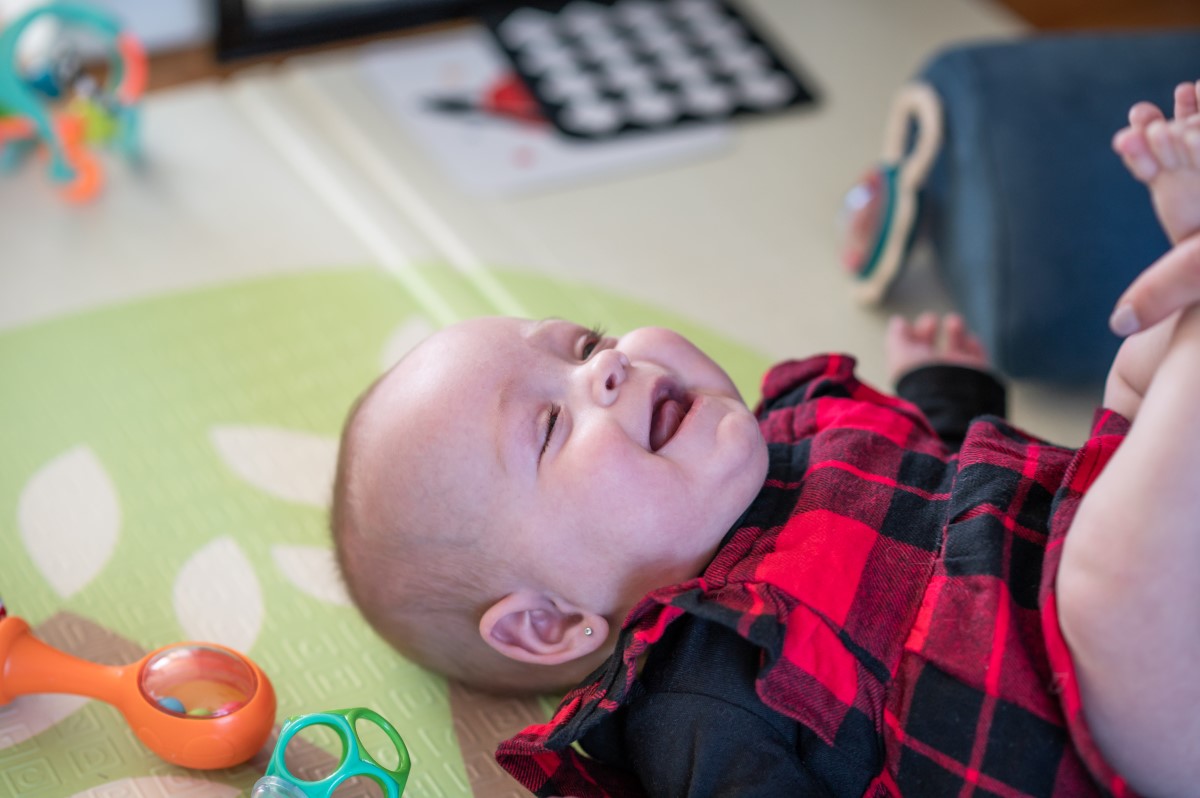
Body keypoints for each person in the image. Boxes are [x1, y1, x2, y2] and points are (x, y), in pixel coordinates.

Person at [332, 82, 1200, 797]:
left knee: (1137, 375)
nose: (604, 370)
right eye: (552, 426)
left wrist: (947, 390)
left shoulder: (794, 434)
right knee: (1108, 571)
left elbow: (932, 471)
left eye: (588, 343)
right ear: (550, 623)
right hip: (1087, 731)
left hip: (1118, 563)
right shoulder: (707, 700)